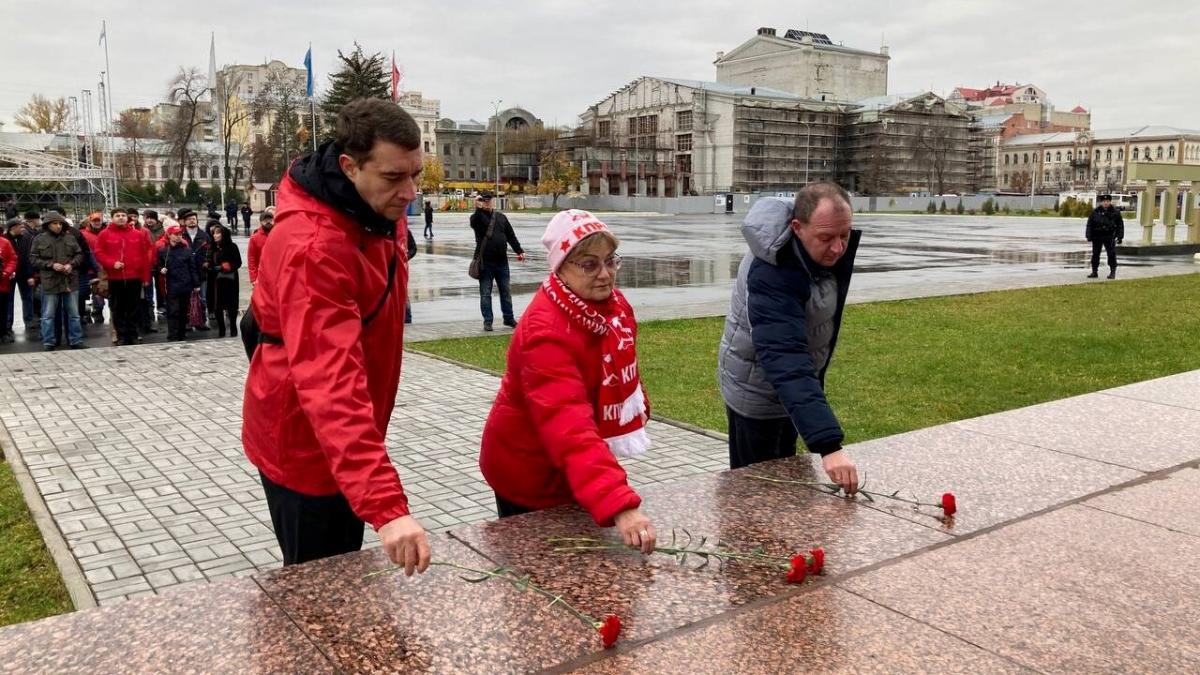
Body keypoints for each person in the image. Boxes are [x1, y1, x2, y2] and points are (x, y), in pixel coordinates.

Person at [243, 97, 430, 571]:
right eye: (394, 177)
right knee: (316, 593)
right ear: (348, 166)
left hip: (343, 443)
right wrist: (387, 508)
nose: (409, 192)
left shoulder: (377, 210)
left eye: (416, 175)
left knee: (343, 577)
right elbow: (331, 384)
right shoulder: (314, 248)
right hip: (305, 448)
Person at [479, 209, 656, 552]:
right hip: (528, 471)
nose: (605, 274)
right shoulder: (544, 333)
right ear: (560, 267)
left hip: (573, 468)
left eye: (610, 261)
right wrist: (620, 504)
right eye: (589, 265)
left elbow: (618, 368)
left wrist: (637, 402)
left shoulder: (611, 307)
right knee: (540, 571)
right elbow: (568, 427)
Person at [717, 183, 862, 495]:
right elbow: (785, 356)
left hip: (788, 390)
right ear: (797, 227)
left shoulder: (815, 252)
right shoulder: (772, 271)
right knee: (755, 493)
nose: (838, 248)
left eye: (845, 235)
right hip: (754, 391)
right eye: (826, 238)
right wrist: (829, 446)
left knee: (786, 485)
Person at [94, 206, 151, 346]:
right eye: (117, 215)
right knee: (117, 308)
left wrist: (145, 278)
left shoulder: (137, 234)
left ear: (127, 218)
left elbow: (145, 257)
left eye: (123, 215)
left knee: (134, 308)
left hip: (134, 277)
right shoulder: (104, 234)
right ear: (112, 218)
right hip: (115, 278)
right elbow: (98, 252)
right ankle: (120, 335)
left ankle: (133, 334)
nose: (121, 217)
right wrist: (112, 263)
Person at [470, 192, 524, 332]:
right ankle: (488, 321)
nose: (487, 203)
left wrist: (519, 251)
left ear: (493, 201)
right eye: (484, 200)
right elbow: (473, 223)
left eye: (489, 200)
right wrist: (476, 207)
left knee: (506, 291)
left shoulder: (501, 217)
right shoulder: (478, 217)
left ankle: (508, 318)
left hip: (502, 262)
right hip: (485, 263)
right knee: (486, 293)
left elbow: (511, 236)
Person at [31, 213, 85, 350]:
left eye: (60, 223)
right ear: (48, 225)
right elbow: (33, 259)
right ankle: (49, 342)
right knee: (48, 315)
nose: (58, 226)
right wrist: (51, 265)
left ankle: (76, 340)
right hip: (50, 282)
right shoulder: (39, 239)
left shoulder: (70, 238)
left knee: (74, 314)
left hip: (69, 281)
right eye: (55, 223)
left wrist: (71, 265)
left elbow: (80, 255)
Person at [157, 224, 200, 341]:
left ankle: (181, 332)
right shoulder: (163, 251)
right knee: (173, 310)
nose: (178, 236)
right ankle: (172, 334)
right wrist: (161, 270)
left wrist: (196, 284)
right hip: (171, 285)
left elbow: (192, 268)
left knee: (183, 310)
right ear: (169, 235)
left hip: (186, 285)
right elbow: (158, 265)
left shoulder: (187, 250)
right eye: (175, 234)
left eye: (180, 234)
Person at [207, 223, 242, 337]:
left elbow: (238, 262)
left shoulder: (232, 246)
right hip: (216, 281)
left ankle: (233, 326)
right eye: (214, 233)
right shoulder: (211, 247)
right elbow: (209, 262)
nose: (215, 235)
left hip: (229, 280)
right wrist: (208, 266)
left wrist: (226, 267)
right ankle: (221, 328)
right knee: (217, 305)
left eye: (218, 233)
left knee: (231, 305)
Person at [178, 209, 211, 330]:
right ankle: (187, 322)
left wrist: (207, 262)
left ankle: (201, 321)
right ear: (184, 222)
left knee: (202, 298)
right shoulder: (180, 235)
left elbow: (210, 251)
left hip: (201, 271)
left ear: (197, 220)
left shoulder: (204, 235)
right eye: (189, 219)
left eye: (193, 219)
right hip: (185, 272)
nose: (191, 221)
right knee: (186, 298)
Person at [1086, 194, 1124, 279]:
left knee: (1111, 254)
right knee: (1095, 254)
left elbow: (1120, 225)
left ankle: (1112, 272)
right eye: (1104, 201)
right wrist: (1088, 235)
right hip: (1097, 236)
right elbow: (1090, 224)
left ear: (1110, 202)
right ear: (1101, 202)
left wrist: (1120, 236)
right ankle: (1094, 271)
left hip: (1109, 236)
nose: (1106, 203)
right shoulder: (1095, 212)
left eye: (1107, 201)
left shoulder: (1115, 212)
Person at [247, 206, 274, 286]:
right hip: (261, 275)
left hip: (277, 274)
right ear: (261, 222)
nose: (268, 222)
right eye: (265, 220)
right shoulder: (255, 238)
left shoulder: (278, 234)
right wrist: (253, 278)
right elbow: (251, 259)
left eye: (270, 220)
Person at [0, 223, 16, 343]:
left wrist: (6, 273)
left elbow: (13, 259)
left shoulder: (5, 242)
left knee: (3, 309)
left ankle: (3, 333)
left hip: (2, 282)